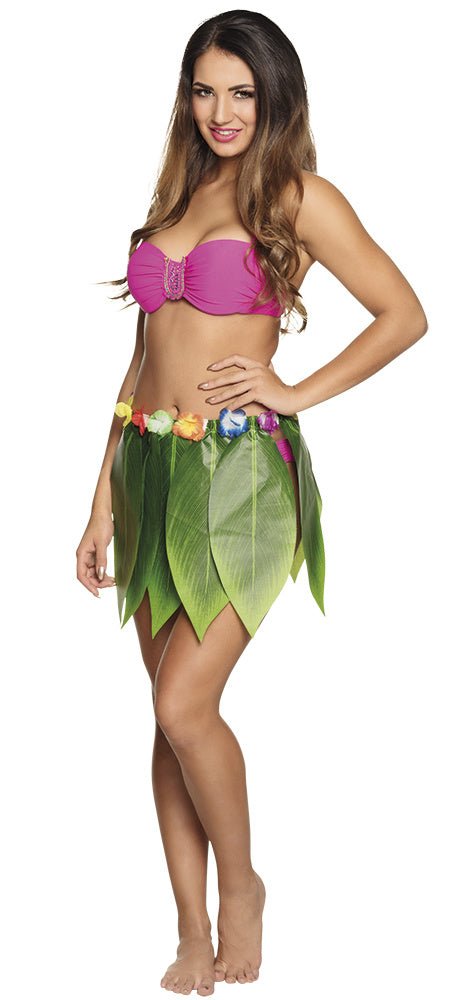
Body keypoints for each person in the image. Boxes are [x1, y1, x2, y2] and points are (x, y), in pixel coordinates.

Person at [76, 10, 428, 996]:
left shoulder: (297, 196)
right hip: (150, 469)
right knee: (168, 715)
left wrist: (294, 391)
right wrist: (99, 500)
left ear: (275, 96)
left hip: (240, 479)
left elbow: (403, 314)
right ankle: (189, 928)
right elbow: (142, 363)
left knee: (184, 703)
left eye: (241, 91)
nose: (221, 111)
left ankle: (242, 887)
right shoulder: (182, 192)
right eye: (204, 90)